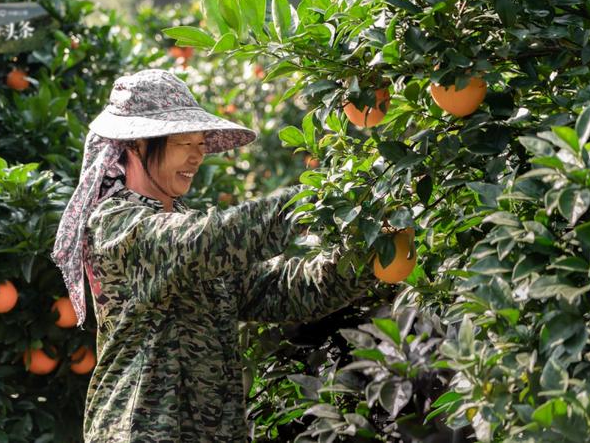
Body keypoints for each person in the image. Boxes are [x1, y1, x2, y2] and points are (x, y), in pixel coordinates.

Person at [51, 69, 378, 442]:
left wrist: (370, 250)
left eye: (200, 143)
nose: (196, 156)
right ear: (137, 144)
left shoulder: (192, 229)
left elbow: (290, 291)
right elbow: (203, 243)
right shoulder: (114, 225)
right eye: (182, 143)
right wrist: (308, 200)